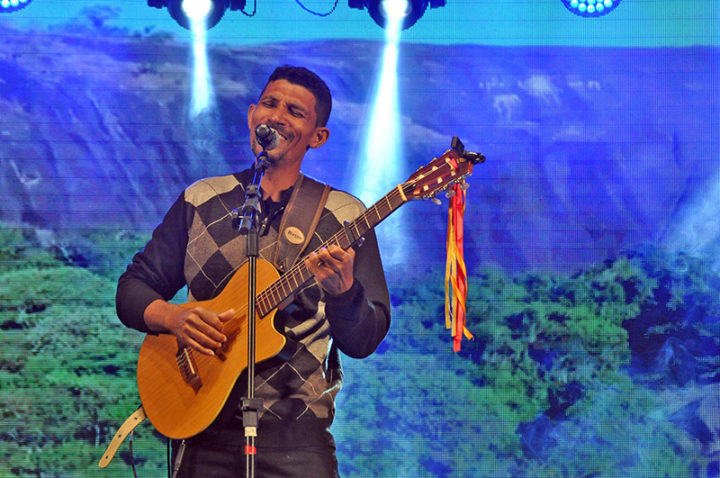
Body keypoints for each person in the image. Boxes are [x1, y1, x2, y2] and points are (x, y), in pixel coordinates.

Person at [116, 65, 391, 477]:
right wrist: (173, 318)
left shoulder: (344, 216)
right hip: (201, 429)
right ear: (251, 115)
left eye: (295, 112)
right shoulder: (202, 199)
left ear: (318, 137)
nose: (277, 116)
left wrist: (344, 293)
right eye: (269, 103)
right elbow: (133, 288)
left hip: (297, 441)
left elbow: (365, 339)